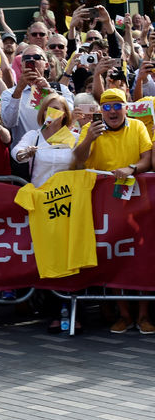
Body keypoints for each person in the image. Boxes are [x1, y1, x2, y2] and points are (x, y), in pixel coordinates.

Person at [72, 88, 153, 334]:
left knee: (140, 256)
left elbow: (147, 159)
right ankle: (124, 314)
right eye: (106, 107)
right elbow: (79, 161)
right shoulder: (90, 130)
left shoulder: (138, 127)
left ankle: (143, 315)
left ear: (126, 108)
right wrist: (89, 139)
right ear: (100, 112)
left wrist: (131, 168)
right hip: (104, 204)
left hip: (137, 203)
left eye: (117, 106)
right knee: (113, 255)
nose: (112, 111)